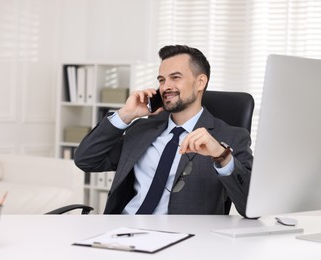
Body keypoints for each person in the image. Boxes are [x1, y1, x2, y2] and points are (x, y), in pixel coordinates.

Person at [74, 45, 253, 216]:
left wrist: (221, 156)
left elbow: (250, 207)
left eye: (175, 77)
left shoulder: (231, 137)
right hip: (125, 229)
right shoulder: (141, 130)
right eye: (161, 80)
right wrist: (126, 115)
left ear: (200, 82)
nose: (165, 86)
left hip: (183, 240)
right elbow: (86, 160)